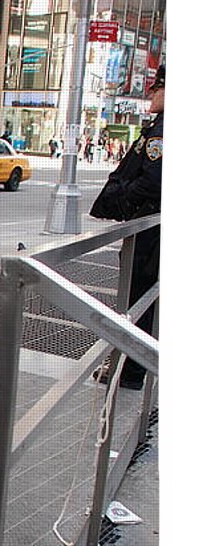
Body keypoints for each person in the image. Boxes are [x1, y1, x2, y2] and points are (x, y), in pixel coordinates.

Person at [89, 63, 163, 390]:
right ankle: (133, 366)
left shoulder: (163, 129)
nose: (151, 94)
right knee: (143, 298)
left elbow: (154, 180)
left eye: (157, 88)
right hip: (150, 225)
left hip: (150, 228)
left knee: (138, 298)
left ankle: (131, 370)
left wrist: (124, 198)